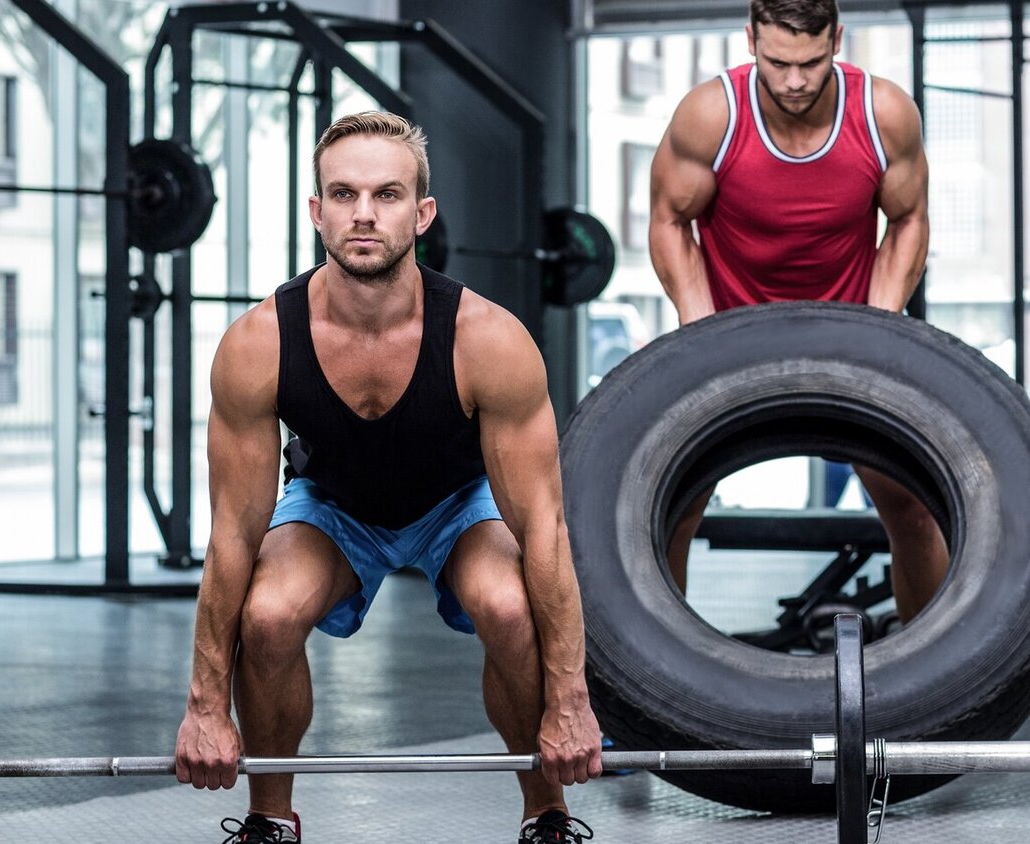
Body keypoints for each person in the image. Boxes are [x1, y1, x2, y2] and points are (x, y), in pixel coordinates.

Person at [174, 111, 602, 843]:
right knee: (269, 615)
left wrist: (571, 697)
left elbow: (544, 529)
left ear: (422, 212)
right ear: (316, 212)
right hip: (333, 508)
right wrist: (205, 704)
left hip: (456, 505)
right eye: (342, 195)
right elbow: (233, 534)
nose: (364, 214)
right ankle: (269, 819)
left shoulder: (488, 340)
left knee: (507, 605)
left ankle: (548, 816)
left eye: (387, 194)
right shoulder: (258, 344)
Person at [648, 0, 946, 624]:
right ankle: (658, 693)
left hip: (848, 331)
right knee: (671, 507)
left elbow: (910, 218)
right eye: (777, 61)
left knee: (914, 506)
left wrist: (879, 324)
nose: (793, 82)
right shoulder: (712, 116)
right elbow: (670, 221)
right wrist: (701, 334)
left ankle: (931, 690)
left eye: (811, 63)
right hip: (731, 330)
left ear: (838, 38)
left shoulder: (883, 112)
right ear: (750, 39)